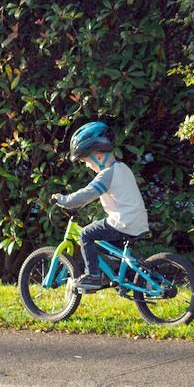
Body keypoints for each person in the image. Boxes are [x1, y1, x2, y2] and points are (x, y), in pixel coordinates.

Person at [51, 121, 150, 293]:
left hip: (123, 222)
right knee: (106, 246)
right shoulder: (122, 168)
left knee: (85, 234)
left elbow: (86, 194)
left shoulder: (107, 174)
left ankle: (93, 276)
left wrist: (64, 200)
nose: (86, 165)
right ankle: (125, 278)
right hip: (136, 220)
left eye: (85, 161)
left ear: (97, 157)